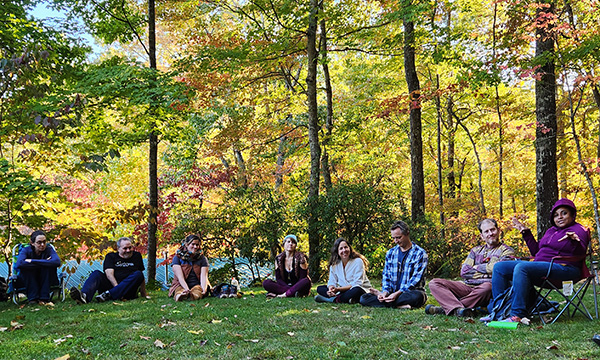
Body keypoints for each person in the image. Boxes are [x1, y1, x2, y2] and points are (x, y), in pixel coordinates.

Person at [485, 198, 589, 323]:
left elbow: (580, 253)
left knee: (522, 267)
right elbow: (536, 252)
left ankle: (516, 315)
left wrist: (574, 242)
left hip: (565, 269)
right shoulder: (551, 231)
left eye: (564, 213)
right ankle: (499, 312)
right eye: (556, 215)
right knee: (499, 267)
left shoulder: (579, 230)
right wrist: (525, 232)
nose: (559, 217)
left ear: (572, 214)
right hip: (542, 268)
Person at [426, 219, 515, 316]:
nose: (490, 233)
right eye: (486, 231)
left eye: (492, 230)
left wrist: (477, 267)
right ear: (482, 236)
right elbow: (464, 271)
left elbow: (499, 270)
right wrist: (487, 272)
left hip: (486, 289)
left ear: (498, 230)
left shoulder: (507, 251)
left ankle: (447, 309)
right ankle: (458, 309)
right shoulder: (475, 251)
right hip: (468, 286)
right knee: (434, 283)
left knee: (487, 287)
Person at [360, 220, 428, 309]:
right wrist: (385, 293)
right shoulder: (390, 253)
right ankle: (400, 305)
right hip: (392, 293)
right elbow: (386, 276)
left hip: (409, 293)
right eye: (394, 238)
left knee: (418, 297)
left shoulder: (420, 253)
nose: (396, 241)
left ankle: (390, 303)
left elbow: (416, 280)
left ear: (407, 234)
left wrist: (397, 293)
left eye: (399, 237)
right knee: (363, 298)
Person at [70, 237, 147, 304]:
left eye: (130, 248)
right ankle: (84, 297)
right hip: (110, 288)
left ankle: (108, 295)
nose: (128, 250)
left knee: (138, 274)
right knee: (96, 273)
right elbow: (109, 275)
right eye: (125, 248)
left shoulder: (137, 256)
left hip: (128, 290)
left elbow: (141, 277)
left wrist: (144, 294)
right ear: (118, 248)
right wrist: (117, 290)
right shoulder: (111, 256)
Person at [314, 237, 372, 304]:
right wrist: (331, 289)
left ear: (349, 248)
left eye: (346, 247)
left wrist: (338, 289)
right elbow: (332, 281)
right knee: (320, 288)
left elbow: (357, 283)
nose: (344, 250)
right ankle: (347, 299)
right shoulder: (334, 265)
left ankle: (333, 299)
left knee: (356, 290)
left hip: (358, 289)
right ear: (337, 252)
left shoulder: (358, 261)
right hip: (342, 291)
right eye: (341, 249)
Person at [14, 230, 61, 305]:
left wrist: (32, 261)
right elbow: (19, 264)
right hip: (28, 280)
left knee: (48, 268)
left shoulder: (49, 249)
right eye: (39, 242)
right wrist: (45, 262)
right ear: (32, 243)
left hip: (47, 279)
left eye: (44, 242)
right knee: (27, 270)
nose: (42, 245)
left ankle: (44, 298)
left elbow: (57, 262)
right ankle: (33, 299)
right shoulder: (26, 250)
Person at [169, 234, 210, 301]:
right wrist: (186, 289)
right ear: (186, 245)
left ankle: (193, 296)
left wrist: (204, 290)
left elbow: (204, 276)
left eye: (197, 245)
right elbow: (180, 278)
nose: (195, 247)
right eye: (193, 244)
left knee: (197, 290)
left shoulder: (202, 258)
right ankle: (180, 296)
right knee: (179, 290)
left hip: (196, 284)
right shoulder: (177, 258)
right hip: (180, 284)